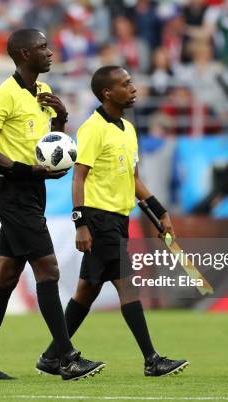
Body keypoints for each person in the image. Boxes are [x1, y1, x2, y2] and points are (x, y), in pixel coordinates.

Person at [0, 28, 105, 381]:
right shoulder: (3, 96)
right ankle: (66, 357)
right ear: (24, 54)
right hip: (12, 192)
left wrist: (60, 120)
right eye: (42, 47)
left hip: (33, 191)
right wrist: (24, 169)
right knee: (49, 270)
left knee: (7, 276)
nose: (50, 52)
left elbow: (52, 147)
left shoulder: (44, 92)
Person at [36, 66, 189, 377]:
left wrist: (160, 212)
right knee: (127, 288)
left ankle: (52, 355)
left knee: (86, 292)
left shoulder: (128, 130)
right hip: (98, 218)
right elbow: (79, 177)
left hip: (119, 220)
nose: (133, 88)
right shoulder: (93, 129)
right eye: (126, 84)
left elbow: (133, 179)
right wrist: (80, 223)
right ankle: (151, 359)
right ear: (108, 93)